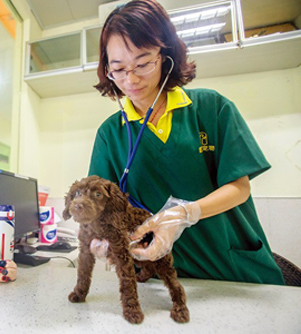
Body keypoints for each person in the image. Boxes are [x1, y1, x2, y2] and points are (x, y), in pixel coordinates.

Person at [88, 0, 284, 285]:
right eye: (118, 68)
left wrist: (184, 214)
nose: (130, 79)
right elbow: (101, 209)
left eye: (143, 63)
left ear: (165, 55)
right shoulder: (110, 133)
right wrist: (101, 238)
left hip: (234, 273)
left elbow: (240, 188)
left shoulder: (211, 108)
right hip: (162, 282)